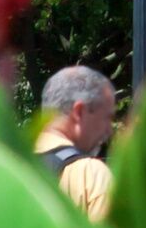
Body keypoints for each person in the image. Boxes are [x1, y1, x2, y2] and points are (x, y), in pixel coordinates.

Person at [34, 65, 118, 219]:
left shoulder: (7, 162)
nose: (109, 131)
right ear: (79, 112)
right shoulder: (91, 175)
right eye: (107, 117)